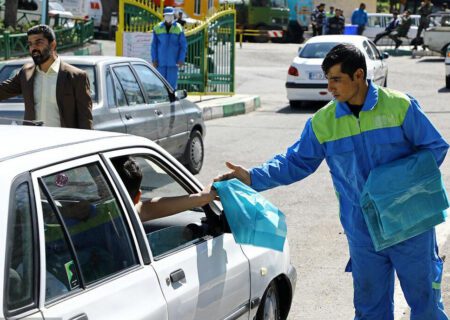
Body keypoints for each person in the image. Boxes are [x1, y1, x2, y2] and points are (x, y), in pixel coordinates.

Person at [214, 43, 449, 319]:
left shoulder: (400, 106)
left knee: (426, 306)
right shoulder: (323, 121)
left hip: (411, 225)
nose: (330, 87)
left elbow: (435, 148)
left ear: (359, 75)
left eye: (336, 79)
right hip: (363, 231)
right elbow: (295, 162)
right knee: (370, 309)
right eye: (328, 80)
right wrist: (252, 177)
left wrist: (390, 185)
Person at [0, 24, 93, 129]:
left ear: (53, 45)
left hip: (64, 143)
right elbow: (2, 90)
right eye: (30, 44)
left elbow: (85, 120)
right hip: (34, 143)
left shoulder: (77, 77)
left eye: (38, 43)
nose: (33, 48)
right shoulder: (26, 73)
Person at [112, 156, 216, 222]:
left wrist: (202, 198)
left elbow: (147, 208)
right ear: (137, 197)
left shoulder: (101, 212)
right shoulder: (126, 213)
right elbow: (146, 208)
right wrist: (205, 195)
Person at [151, 6, 187, 90]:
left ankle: (172, 102)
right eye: (167, 15)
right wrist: (154, 59)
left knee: (171, 87)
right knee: (160, 86)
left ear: (174, 16)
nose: (169, 17)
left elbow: (183, 45)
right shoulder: (157, 28)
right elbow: (154, 46)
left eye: (170, 15)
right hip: (160, 63)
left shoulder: (178, 28)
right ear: (163, 16)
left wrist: (181, 59)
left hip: (173, 63)